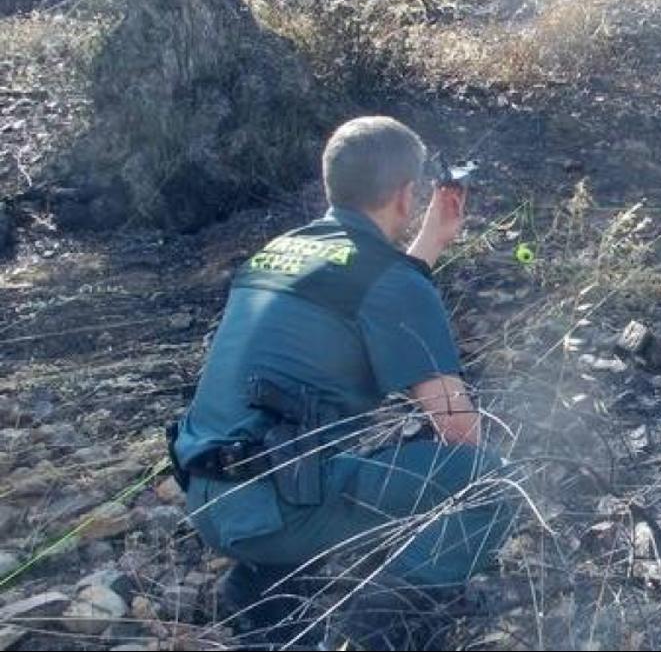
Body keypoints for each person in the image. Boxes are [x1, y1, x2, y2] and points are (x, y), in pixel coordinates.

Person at [167, 116, 513, 648]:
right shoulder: (393, 284)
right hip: (276, 512)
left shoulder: (280, 251)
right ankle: (381, 627)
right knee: (488, 483)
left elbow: (368, 288)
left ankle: (266, 590)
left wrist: (433, 239)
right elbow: (460, 433)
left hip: (210, 497)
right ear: (406, 195)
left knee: (326, 456)